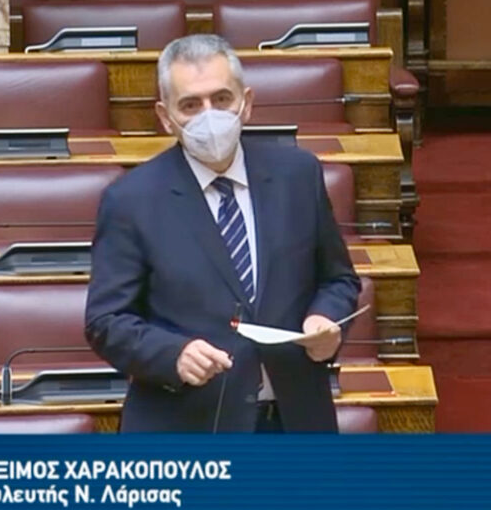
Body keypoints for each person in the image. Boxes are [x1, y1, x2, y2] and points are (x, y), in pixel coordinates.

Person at [85, 34, 361, 433]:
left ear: (246, 102)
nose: (209, 116)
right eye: (190, 105)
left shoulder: (298, 176)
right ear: (165, 116)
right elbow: (106, 321)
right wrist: (173, 354)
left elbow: (338, 279)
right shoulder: (131, 200)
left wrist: (326, 319)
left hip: (294, 421)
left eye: (221, 99)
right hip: (187, 427)